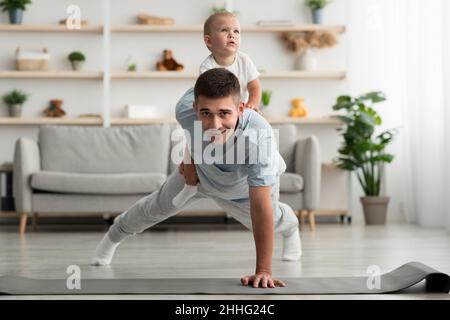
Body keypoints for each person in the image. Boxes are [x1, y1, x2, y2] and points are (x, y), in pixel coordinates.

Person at [91, 68, 302, 288]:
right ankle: (111, 239)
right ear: (194, 109)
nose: (215, 125)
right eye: (206, 114)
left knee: (272, 218)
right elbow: (193, 128)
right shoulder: (184, 109)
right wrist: (189, 159)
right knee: (155, 206)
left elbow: (260, 206)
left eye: (224, 113)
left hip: (242, 190)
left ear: (240, 108)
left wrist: (264, 271)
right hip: (201, 176)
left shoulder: (260, 138)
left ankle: (291, 225)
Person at [172, 11, 262, 208]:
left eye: (236, 31)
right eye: (225, 30)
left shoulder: (244, 60)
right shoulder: (207, 67)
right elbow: (207, 98)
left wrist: (253, 104)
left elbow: (255, 87)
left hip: (240, 116)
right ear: (209, 40)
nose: (232, 35)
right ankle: (190, 184)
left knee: (255, 142)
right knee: (191, 143)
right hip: (216, 118)